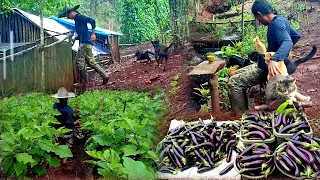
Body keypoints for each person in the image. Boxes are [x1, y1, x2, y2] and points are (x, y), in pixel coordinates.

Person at [227, 0, 301, 112]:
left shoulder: (276, 24)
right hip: (271, 63)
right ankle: (242, 109)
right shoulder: (280, 19)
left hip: (272, 69)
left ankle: (241, 118)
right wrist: (282, 55)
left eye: (257, 18)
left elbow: (288, 41)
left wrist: (276, 59)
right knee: (234, 74)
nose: (259, 21)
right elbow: (295, 36)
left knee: (234, 82)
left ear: (260, 14)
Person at [57, 5, 109, 88]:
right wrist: (75, 38)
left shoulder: (79, 17)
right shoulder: (77, 20)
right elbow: (82, 33)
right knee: (91, 62)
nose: (69, 17)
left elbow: (92, 21)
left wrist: (93, 33)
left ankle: (83, 82)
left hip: (84, 44)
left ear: (72, 12)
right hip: (86, 43)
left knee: (78, 62)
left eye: (68, 15)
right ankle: (105, 75)